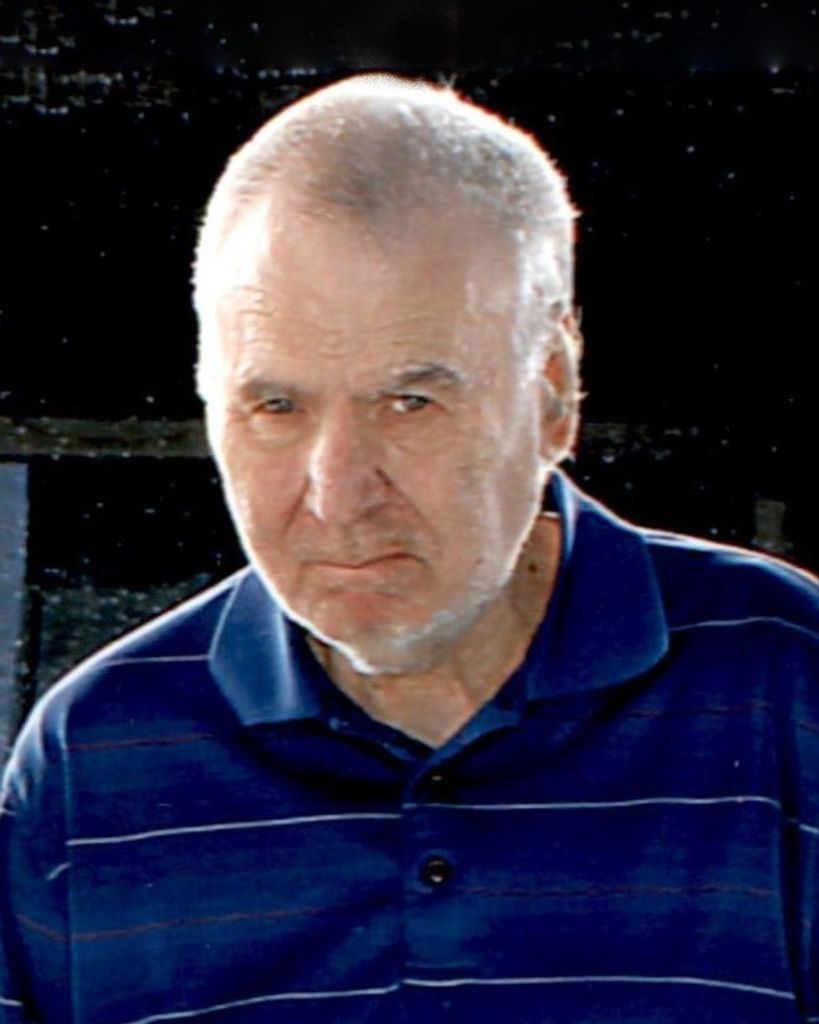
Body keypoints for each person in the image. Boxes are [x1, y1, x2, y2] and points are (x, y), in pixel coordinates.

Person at [2, 74, 818, 1024]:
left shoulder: (790, 687)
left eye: (409, 403)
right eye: (276, 406)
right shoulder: (90, 758)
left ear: (553, 393)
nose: (338, 493)